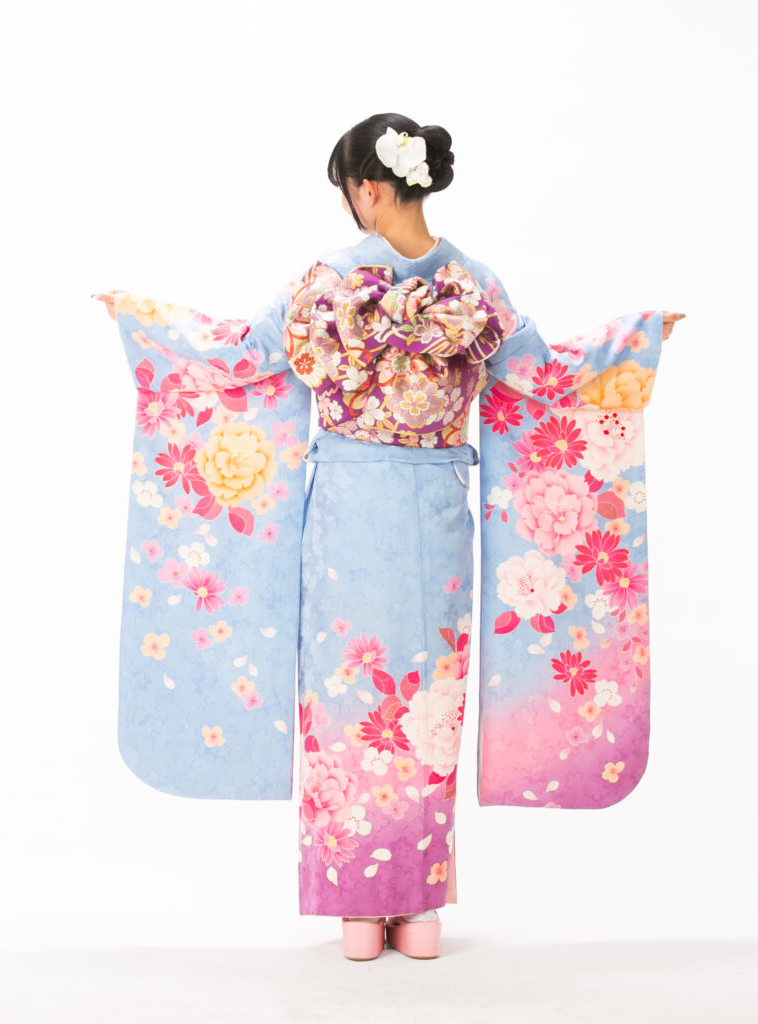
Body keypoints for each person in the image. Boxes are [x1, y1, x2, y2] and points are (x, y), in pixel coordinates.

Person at [94, 112, 685, 962]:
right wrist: (637, 340)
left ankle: (362, 915)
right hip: (432, 509)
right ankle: (415, 912)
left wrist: (142, 320)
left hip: (348, 512)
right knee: (421, 703)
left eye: (347, 191)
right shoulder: (473, 284)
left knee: (355, 701)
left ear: (367, 188)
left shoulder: (327, 283)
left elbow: (241, 355)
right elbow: (546, 374)